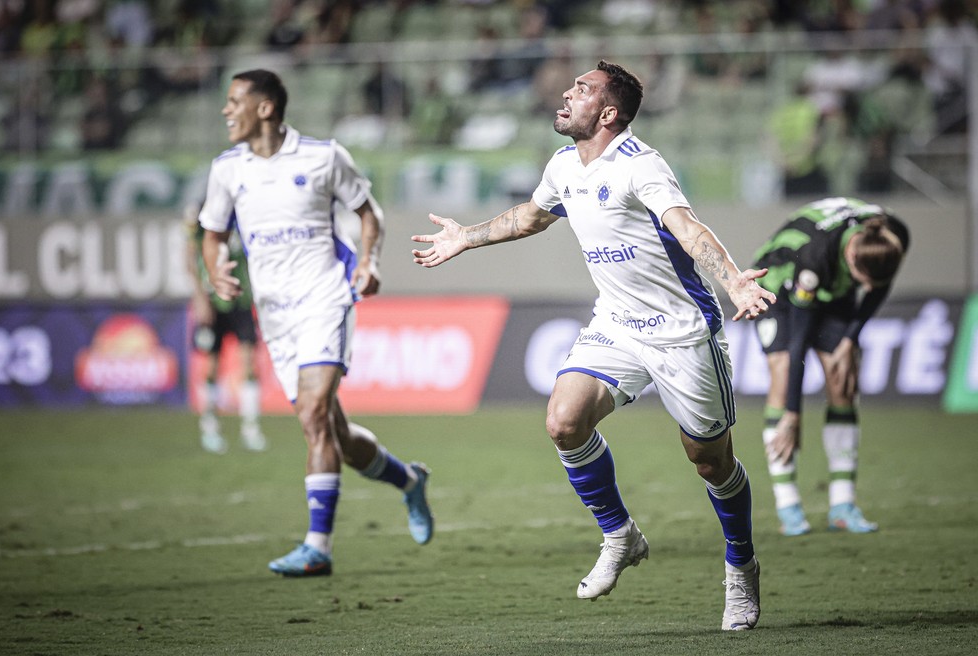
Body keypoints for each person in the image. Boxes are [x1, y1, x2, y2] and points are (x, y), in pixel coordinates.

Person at [412, 60, 775, 631]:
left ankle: (741, 566)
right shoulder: (563, 165)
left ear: (607, 113)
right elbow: (531, 218)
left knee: (710, 461)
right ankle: (620, 535)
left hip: (681, 330)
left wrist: (731, 280)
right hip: (618, 323)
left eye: (581, 89)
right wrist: (468, 237)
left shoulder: (641, 166)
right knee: (564, 420)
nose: (566, 92)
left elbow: (689, 229)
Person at [199, 69, 434, 577]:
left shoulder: (323, 157)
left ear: (265, 107)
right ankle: (410, 481)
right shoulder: (226, 171)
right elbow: (212, 232)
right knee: (335, 434)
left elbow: (369, 213)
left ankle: (317, 548)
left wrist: (368, 262)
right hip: (276, 314)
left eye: (235, 101)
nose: (226, 110)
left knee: (312, 415)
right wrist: (215, 269)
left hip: (327, 296)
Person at [752, 197, 909, 536]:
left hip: (834, 290)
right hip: (779, 289)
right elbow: (799, 342)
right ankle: (788, 505)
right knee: (782, 375)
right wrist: (793, 412)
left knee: (843, 379)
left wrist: (851, 338)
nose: (867, 289)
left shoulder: (893, 235)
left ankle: (842, 504)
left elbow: (877, 286)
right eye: (862, 280)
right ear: (851, 257)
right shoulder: (815, 259)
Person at [184, 201, 267, 454]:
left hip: (241, 302)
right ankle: (210, 427)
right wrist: (199, 297)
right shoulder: (201, 216)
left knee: (250, 363)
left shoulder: (246, 215)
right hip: (213, 302)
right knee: (211, 365)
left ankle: (251, 429)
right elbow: (189, 257)